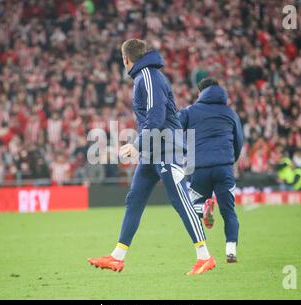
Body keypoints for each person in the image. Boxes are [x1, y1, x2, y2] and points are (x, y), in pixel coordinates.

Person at [88, 39, 215, 275]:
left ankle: (205, 256)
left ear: (126, 59)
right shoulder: (146, 76)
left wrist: (136, 145)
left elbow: (156, 118)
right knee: (134, 198)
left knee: (180, 202)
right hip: (153, 150)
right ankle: (117, 256)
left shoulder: (147, 76)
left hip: (166, 149)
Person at [178, 78, 243, 263]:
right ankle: (231, 251)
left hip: (200, 170)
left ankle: (204, 251)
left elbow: (173, 128)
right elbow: (239, 141)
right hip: (224, 169)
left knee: (191, 209)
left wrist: (186, 152)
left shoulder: (191, 111)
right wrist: (229, 160)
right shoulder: (230, 113)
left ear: (201, 93)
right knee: (229, 212)